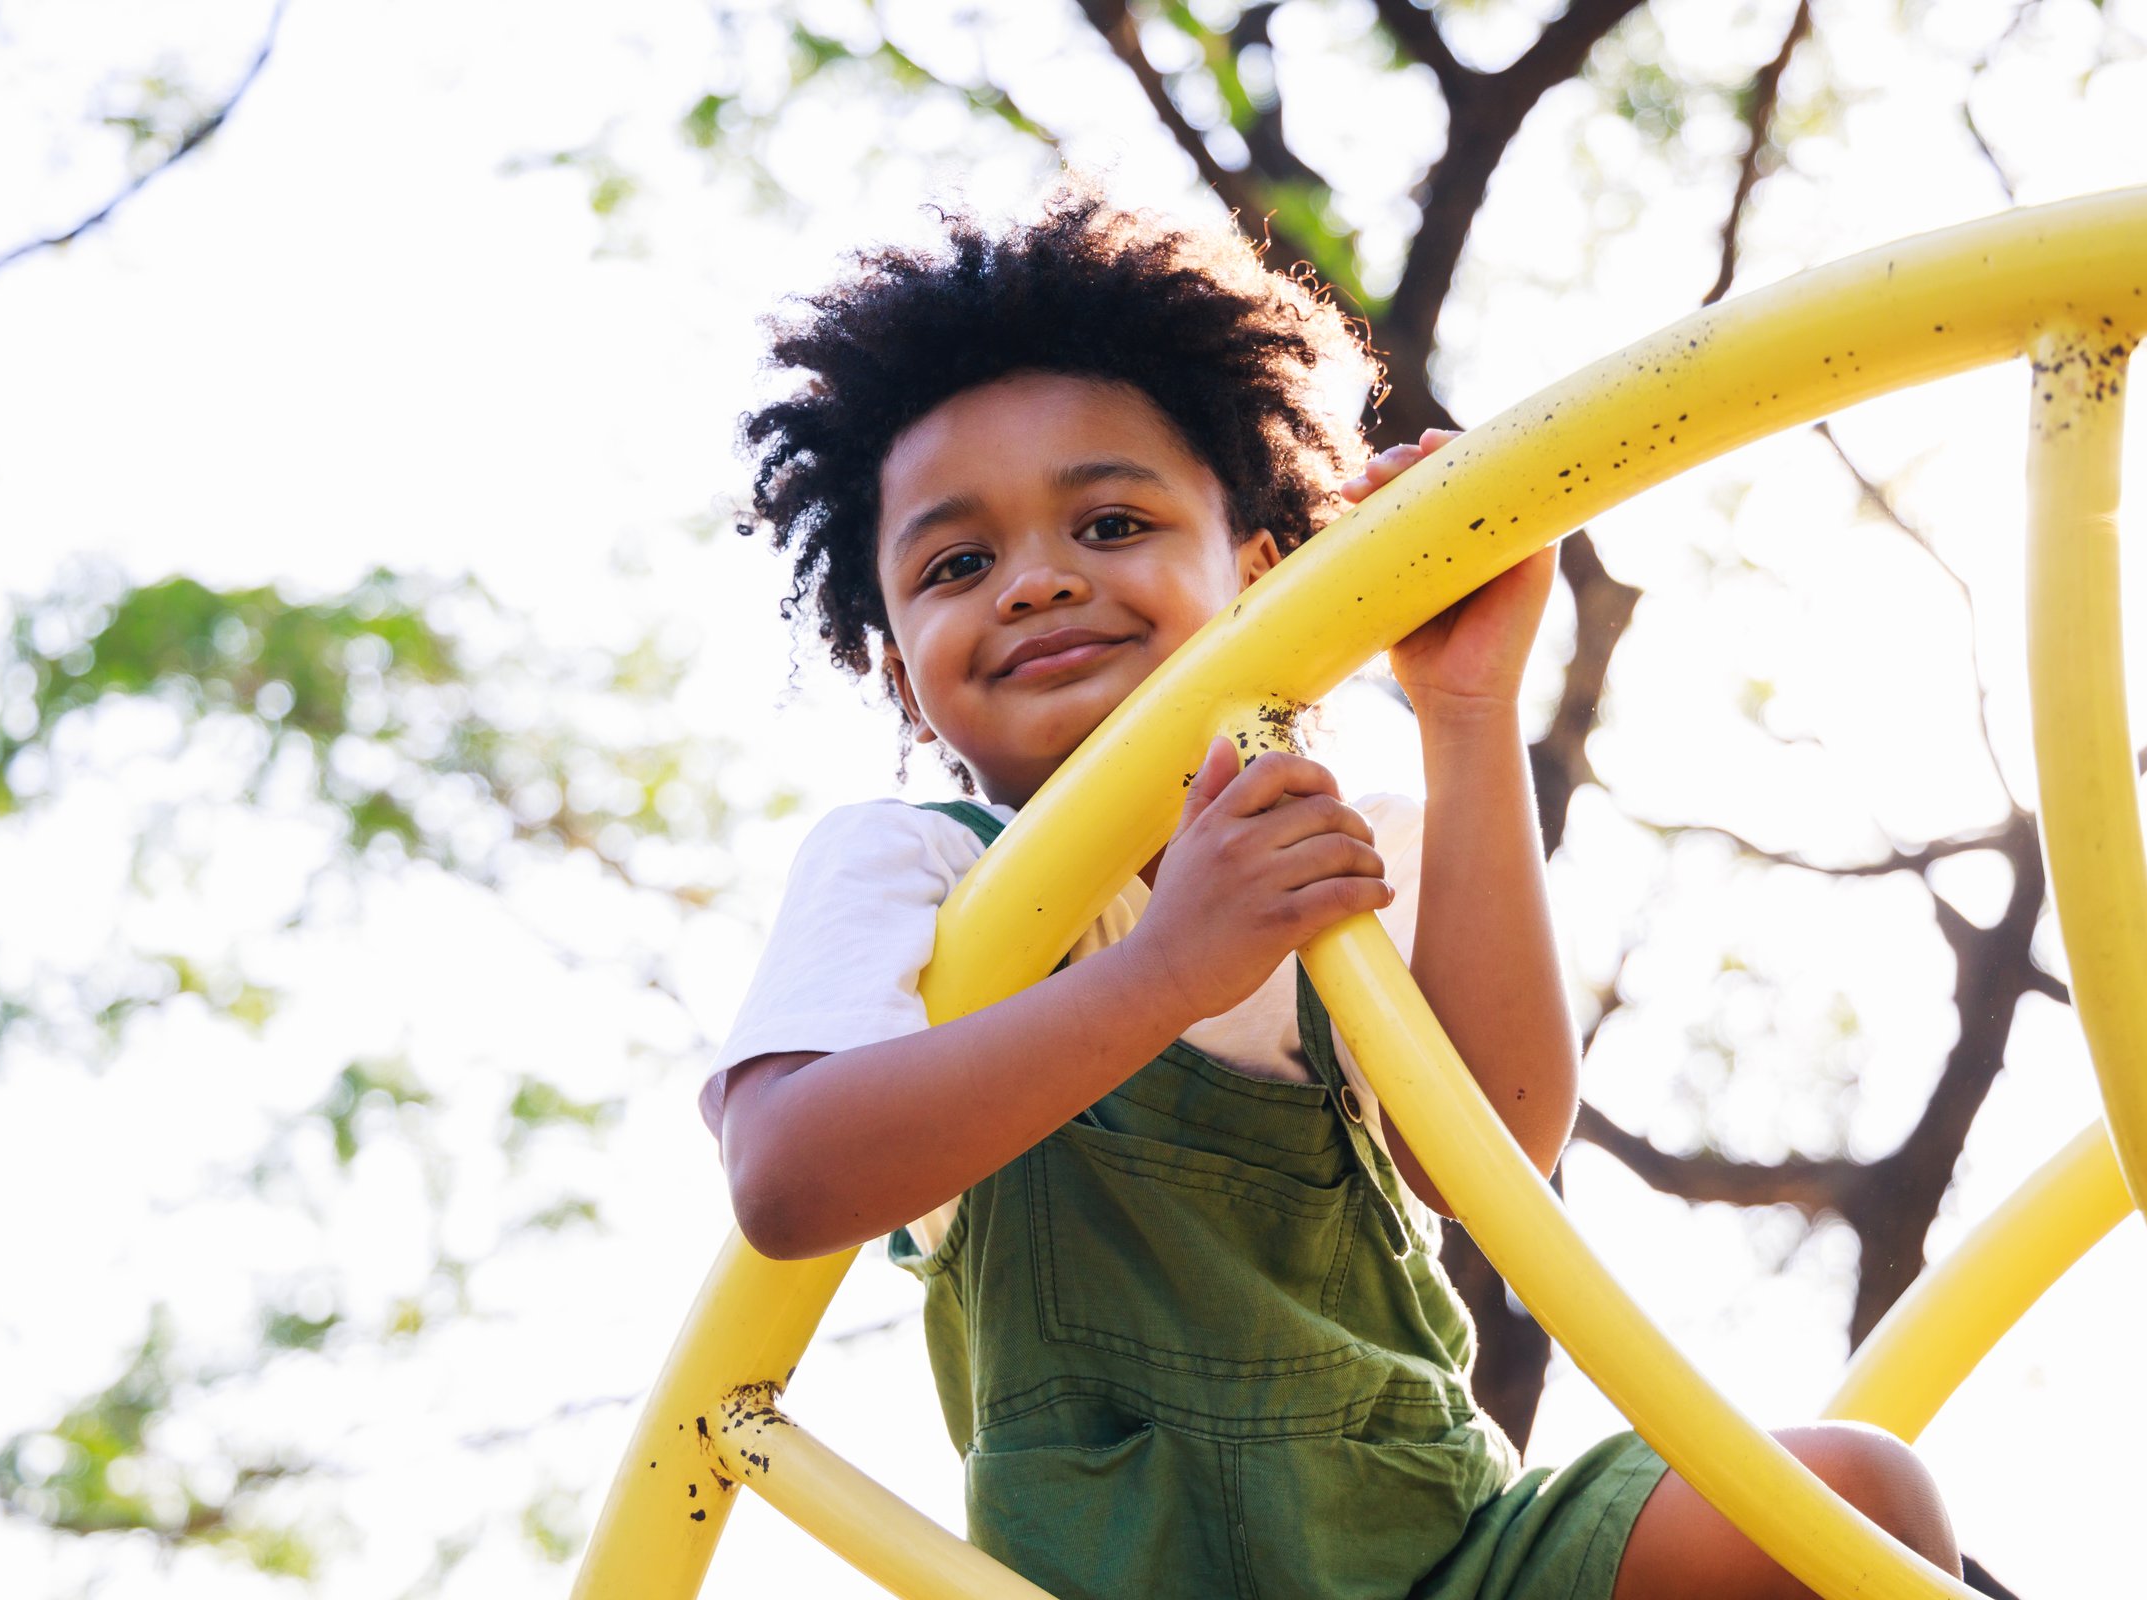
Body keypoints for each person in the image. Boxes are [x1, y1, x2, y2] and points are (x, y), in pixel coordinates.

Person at [703, 182, 1961, 1600]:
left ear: (1256, 572)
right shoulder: (922, 870)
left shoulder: (1337, 857)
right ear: (899, 667)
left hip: (1448, 1556)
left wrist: (1468, 711)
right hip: (1130, 1581)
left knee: (1856, 1495)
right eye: (958, 563)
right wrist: (1163, 970)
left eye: (1110, 525)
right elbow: (789, 1175)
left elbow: (1492, 1147)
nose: (1038, 583)